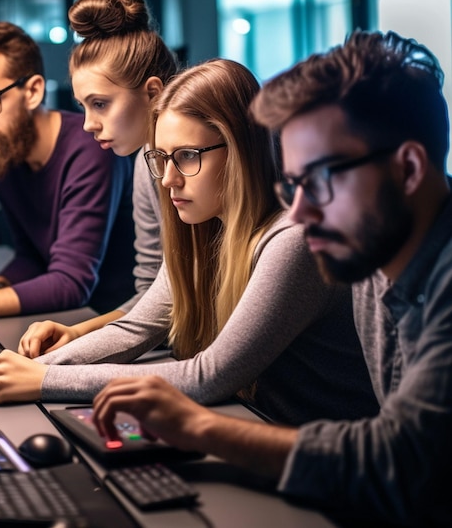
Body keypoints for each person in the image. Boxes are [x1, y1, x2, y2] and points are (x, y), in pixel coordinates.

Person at [91, 31, 452, 526]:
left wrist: (200, 427)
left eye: (319, 181)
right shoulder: (372, 260)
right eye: (294, 183)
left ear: (408, 169)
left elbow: (401, 458)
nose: (300, 211)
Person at [0, 58, 378, 427]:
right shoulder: (203, 230)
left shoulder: (295, 242)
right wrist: (35, 363)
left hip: (320, 468)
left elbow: (207, 376)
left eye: (187, 156)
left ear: (240, 149)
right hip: (251, 423)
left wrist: (47, 380)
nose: (168, 179)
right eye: (161, 158)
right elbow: (137, 328)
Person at [18, 0, 179, 353]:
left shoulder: (210, 170)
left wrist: (51, 370)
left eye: (101, 104)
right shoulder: (144, 164)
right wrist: (78, 333)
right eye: (83, 106)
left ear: (153, 93)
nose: (88, 123)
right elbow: (153, 298)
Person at [0, 21, 135, 320]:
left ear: (33, 91)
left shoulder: (90, 150)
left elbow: (72, 282)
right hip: (66, 321)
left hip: (116, 324)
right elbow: (32, 258)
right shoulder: (4, 151)